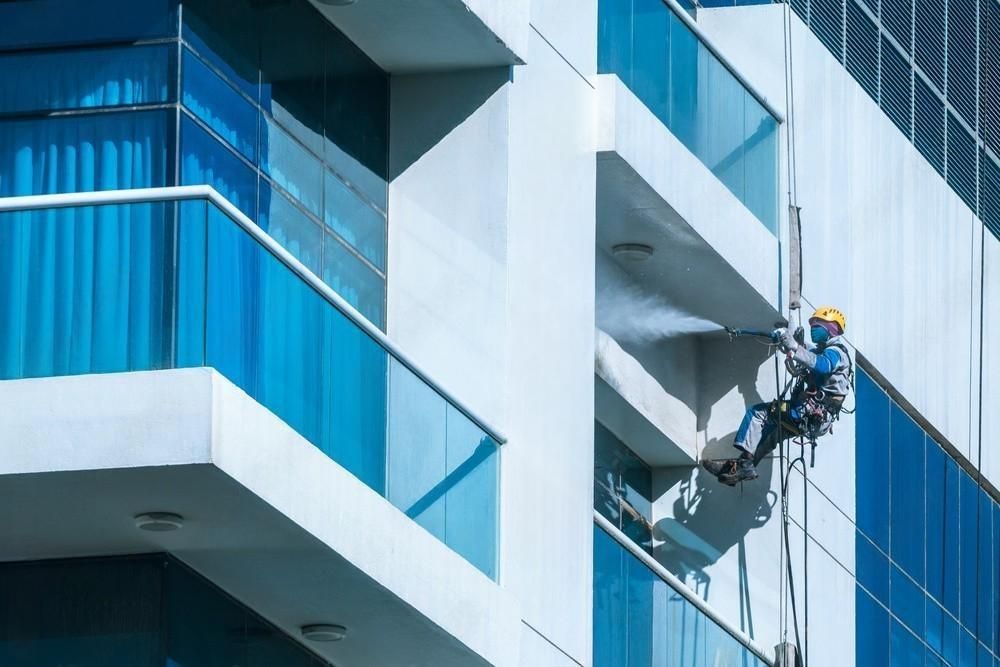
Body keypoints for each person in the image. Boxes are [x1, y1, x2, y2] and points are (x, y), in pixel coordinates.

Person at [702, 306, 853, 486]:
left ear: (831, 327)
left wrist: (795, 346)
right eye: (812, 324)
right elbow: (807, 352)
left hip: (810, 413)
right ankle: (739, 469)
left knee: (758, 413)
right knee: (771, 434)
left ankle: (743, 465)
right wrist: (787, 340)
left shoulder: (836, 352)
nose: (813, 328)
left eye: (817, 324)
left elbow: (821, 365)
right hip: (809, 417)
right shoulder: (823, 350)